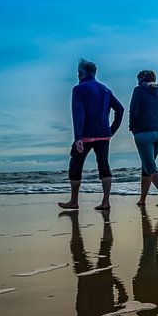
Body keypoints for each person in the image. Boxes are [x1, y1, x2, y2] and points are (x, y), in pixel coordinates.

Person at [59, 59, 124, 210]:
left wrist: (78, 137)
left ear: (80, 74)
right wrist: (111, 130)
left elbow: (78, 113)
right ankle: (106, 202)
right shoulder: (105, 89)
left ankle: (74, 201)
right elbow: (120, 109)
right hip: (103, 134)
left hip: (85, 135)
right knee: (104, 165)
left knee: (75, 165)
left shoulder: (79, 89)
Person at [129, 69, 158, 206]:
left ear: (142, 78)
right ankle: (142, 199)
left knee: (151, 168)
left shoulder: (138, 90)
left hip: (143, 133)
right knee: (146, 168)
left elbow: (133, 110)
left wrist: (132, 127)